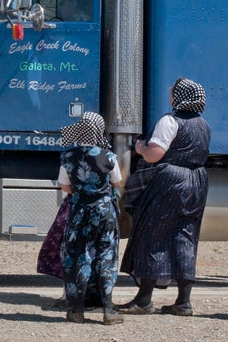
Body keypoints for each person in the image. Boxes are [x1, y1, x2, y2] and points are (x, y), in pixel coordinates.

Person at [116, 78, 211, 316]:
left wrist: (140, 148)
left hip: (170, 180)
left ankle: (144, 300)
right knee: (185, 237)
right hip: (197, 180)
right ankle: (183, 302)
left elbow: (154, 155)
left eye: (173, 93)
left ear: (180, 97)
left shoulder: (170, 121)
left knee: (153, 233)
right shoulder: (203, 124)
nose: (170, 96)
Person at [57, 112, 124, 325]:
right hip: (105, 213)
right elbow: (117, 183)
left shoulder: (67, 156)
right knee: (106, 257)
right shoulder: (109, 156)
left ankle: (77, 310)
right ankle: (109, 311)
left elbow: (65, 186)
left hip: (79, 213)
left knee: (78, 257)